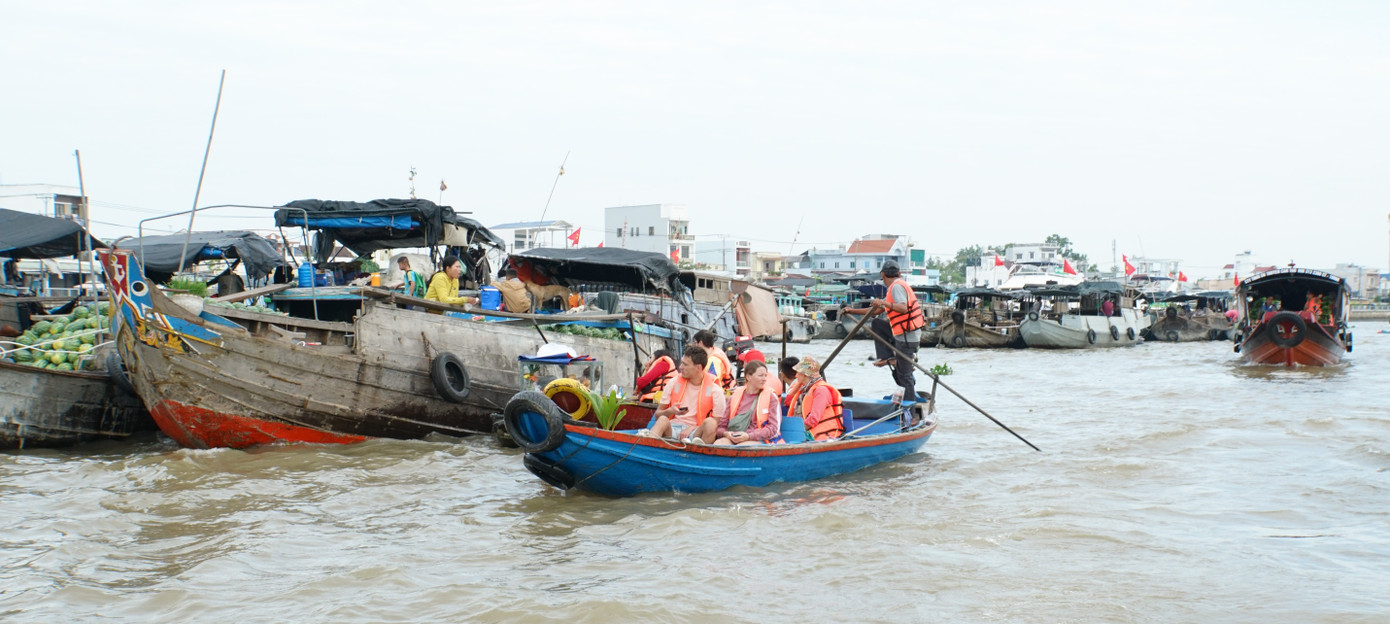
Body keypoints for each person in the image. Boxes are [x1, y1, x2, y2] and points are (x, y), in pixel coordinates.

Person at [864, 261, 924, 406]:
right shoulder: (897, 285)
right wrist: (851, 311)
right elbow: (877, 311)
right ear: (899, 273)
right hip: (903, 334)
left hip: (906, 336)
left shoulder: (896, 286)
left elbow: (903, 308)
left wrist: (884, 304)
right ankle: (889, 357)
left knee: (905, 375)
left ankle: (911, 410)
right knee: (877, 323)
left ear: (883, 275)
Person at [644, 348, 726, 443]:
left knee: (711, 423)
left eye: (685, 364)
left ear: (698, 368)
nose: (680, 367)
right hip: (672, 428)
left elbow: (717, 424)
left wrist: (692, 428)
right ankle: (647, 447)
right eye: (682, 363)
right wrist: (669, 411)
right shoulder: (673, 382)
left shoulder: (715, 390)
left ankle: (700, 455)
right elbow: (657, 415)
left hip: (696, 432)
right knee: (662, 419)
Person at [715, 360, 783, 445]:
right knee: (719, 443)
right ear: (748, 377)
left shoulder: (771, 397)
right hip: (735, 436)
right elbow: (721, 427)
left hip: (759, 439)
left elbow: (774, 429)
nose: (764, 379)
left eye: (765, 375)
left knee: (742, 447)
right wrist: (726, 434)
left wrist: (748, 436)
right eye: (760, 375)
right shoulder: (734, 396)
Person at [783, 356, 844, 441]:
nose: (796, 376)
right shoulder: (804, 388)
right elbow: (788, 402)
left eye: (797, 373)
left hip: (820, 434)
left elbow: (813, 419)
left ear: (804, 374)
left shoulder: (821, 390)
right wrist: (798, 384)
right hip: (804, 430)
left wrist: (797, 431)